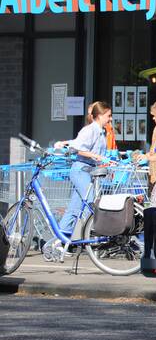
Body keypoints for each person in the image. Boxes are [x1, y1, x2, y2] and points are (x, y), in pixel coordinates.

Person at [56, 101, 114, 242]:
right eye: (108, 115)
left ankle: (59, 240)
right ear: (100, 116)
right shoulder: (90, 130)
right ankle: (89, 235)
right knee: (91, 202)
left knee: (74, 208)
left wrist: (106, 159)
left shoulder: (101, 131)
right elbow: (77, 148)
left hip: (87, 170)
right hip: (81, 170)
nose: (110, 118)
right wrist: (96, 156)